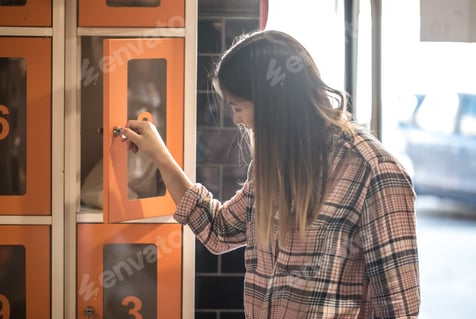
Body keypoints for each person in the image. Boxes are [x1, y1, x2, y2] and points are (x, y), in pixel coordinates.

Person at [120, 30, 420, 318]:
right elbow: (220, 231)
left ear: (271, 104)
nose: (237, 119)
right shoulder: (274, 164)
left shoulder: (374, 172)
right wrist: (159, 155)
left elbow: (399, 309)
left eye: (238, 107)